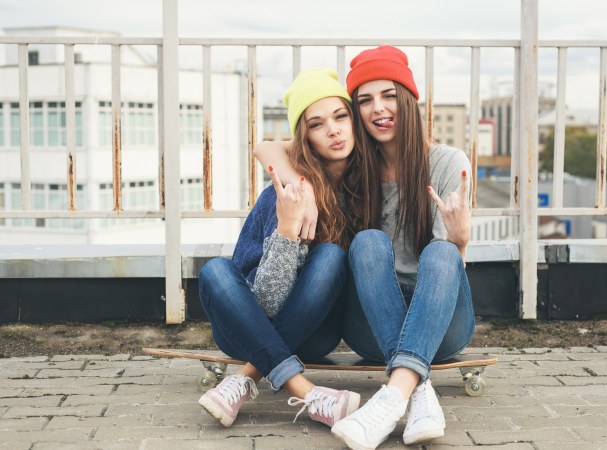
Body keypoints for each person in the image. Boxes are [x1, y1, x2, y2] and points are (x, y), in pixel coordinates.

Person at [254, 45, 474, 450]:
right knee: (369, 242)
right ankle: (416, 391)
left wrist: (459, 242)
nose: (379, 109)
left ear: (408, 100)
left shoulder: (446, 163)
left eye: (389, 95)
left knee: (442, 253)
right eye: (365, 100)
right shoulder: (355, 165)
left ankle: (393, 396)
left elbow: (449, 272)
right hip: (373, 324)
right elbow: (269, 147)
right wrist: (298, 188)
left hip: (443, 323)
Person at [198, 67, 368, 429]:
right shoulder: (279, 197)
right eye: (317, 124)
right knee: (215, 270)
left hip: (315, 333)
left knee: (332, 256)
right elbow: (265, 305)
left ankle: (245, 379)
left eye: (341, 117)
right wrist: (288, 231)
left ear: (354, 122)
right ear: (305, 138)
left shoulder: (368, 193)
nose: (334, 130)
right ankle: (307, 392)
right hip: (242, 328)